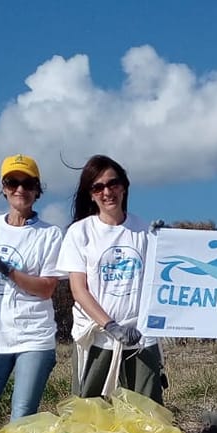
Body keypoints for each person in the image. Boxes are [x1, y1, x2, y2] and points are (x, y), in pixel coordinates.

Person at [0, 155, 64, 421]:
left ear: (37, 190)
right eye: (12, 182)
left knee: (21, 419)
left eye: (28, 183)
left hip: (33, 337)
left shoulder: (50, 234)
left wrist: (7, 270)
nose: (20, 189)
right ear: (4, 188)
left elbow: (46, 288)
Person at [56, 155, 163, 402]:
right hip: (98, 337)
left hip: (140, 337)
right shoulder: (79, 232)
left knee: (147, 410)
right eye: (98, 187)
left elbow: (157, 279)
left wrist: (165, 242)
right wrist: (110, 325)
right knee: (90, 410)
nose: (107, 191)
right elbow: (79, 289)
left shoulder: (143, 229)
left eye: (113, 183)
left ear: (124, 186)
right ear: (91, 194)